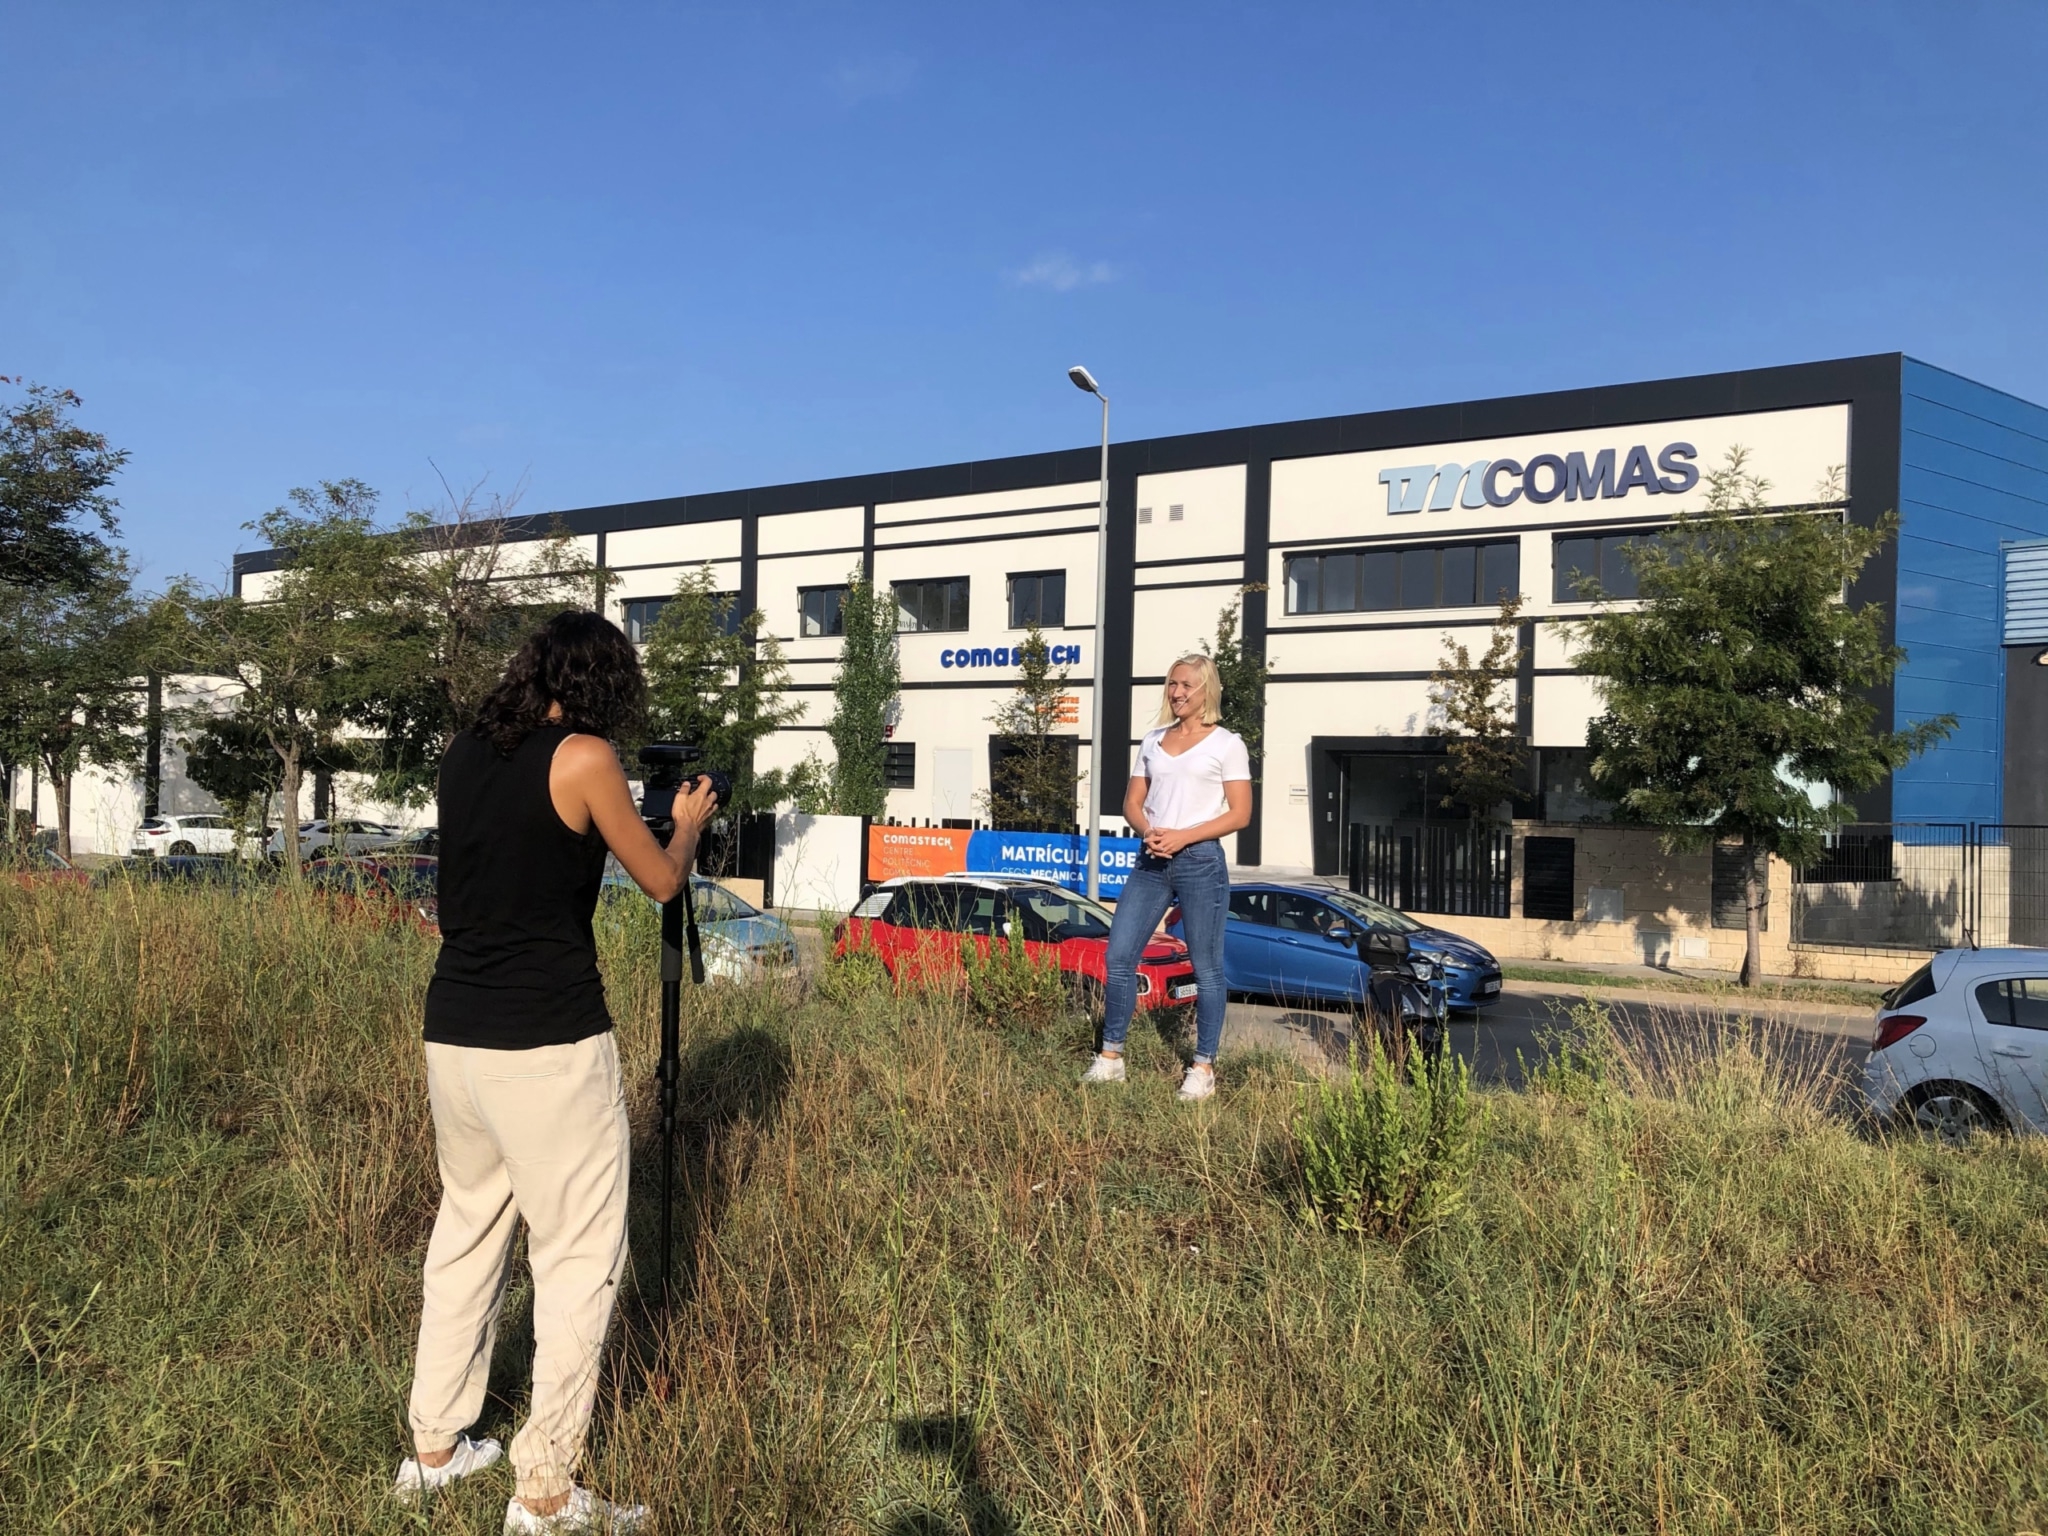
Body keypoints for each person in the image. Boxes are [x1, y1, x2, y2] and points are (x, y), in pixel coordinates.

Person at [391, 611, 718, 1533]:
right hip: (547, 1041)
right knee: (577, 1257)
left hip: (455, 1032)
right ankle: (544, 1491)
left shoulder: (463, 752)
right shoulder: (584, 757)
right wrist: (686, 827)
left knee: (467, 1230)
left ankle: (435, 1448)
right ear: (602, 681)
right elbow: (661, 880)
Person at [1082, 653, 1252, 1101]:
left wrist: (1183, 836)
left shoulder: (1227, 744)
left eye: (1186, 685)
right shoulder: (1154, 740)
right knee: (1119, 956)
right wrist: (1149, 832)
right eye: (1172, 684)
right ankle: (1111, 1058)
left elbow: (1240, 814)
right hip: (1151, 861)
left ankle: (1203, 1068)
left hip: (1201, 861)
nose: (1177, 693)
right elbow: (1131, 803)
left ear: (1206, 690)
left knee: (1207, 967)